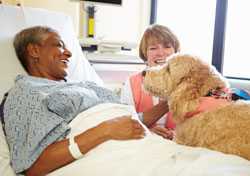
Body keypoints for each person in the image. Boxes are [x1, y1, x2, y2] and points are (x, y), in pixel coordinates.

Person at [2, 26, 145, 176]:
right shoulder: (26, 91)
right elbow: (32, 167)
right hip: (112, 155)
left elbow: (128, 118)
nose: (69, 53)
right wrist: (105, 130)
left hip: (138, 141)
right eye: (59, 45)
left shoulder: (82, 84)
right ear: (34, 51)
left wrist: (160, 109)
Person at [121, 24, 180, 139]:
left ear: (175, 51)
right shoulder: (132, 82)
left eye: (167, 47)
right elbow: (125, 122)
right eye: (153, 48)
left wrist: (177, 134)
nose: (161, 53)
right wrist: (147, 131)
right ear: (145, 54)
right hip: (144, 143)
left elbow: (195, 120)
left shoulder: (186, 81)